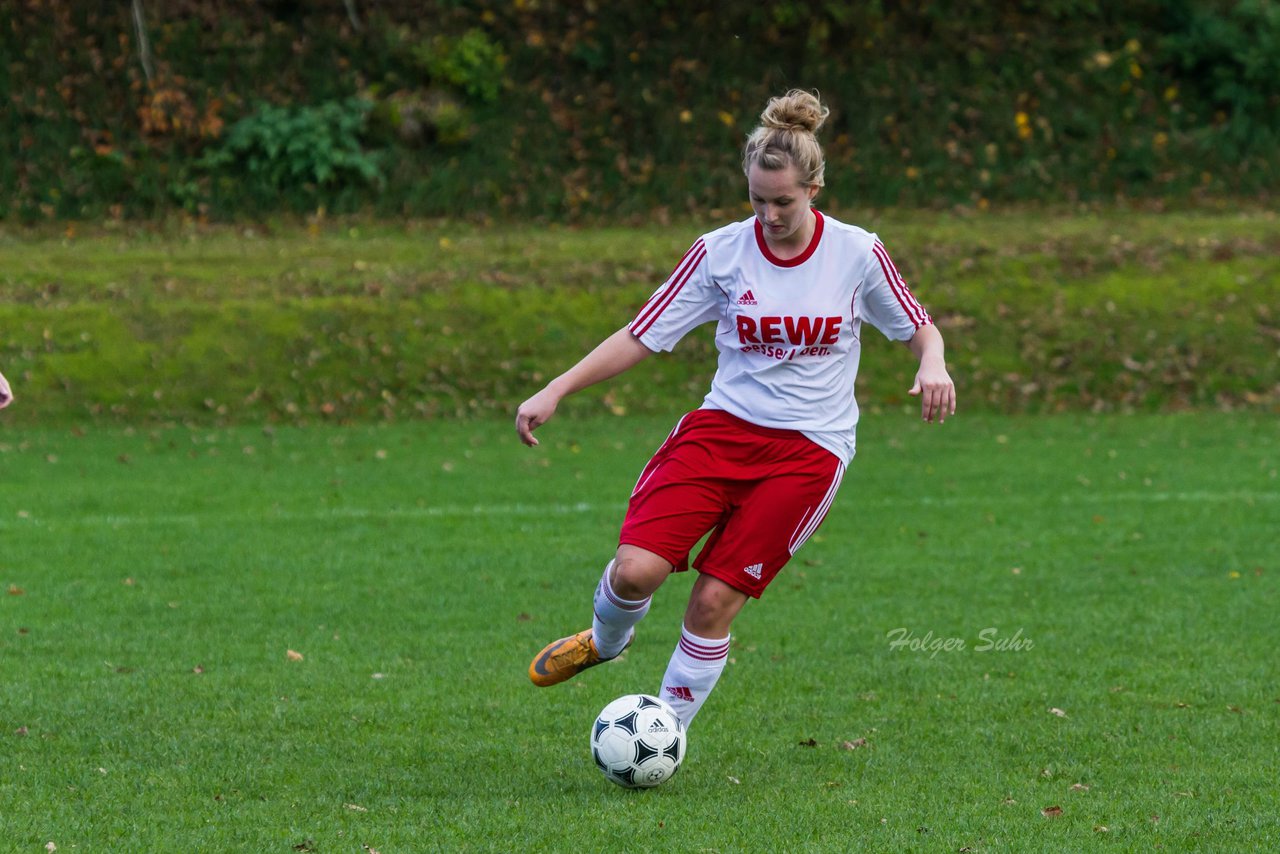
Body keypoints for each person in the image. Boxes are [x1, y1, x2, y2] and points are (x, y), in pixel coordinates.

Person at [515, 89, 955, 729]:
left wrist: (932, 362)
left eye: (784, 201)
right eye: (757, 200)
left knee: (714, 601)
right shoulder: (721, 251)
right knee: (635, 572)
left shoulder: (856, 253)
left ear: (814, 190)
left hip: (809, 451)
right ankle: (604, 643)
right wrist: (556, 387)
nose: (770, 215)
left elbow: (920, 327)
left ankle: (663, 732)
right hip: (720, 432)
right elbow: (644, 333)